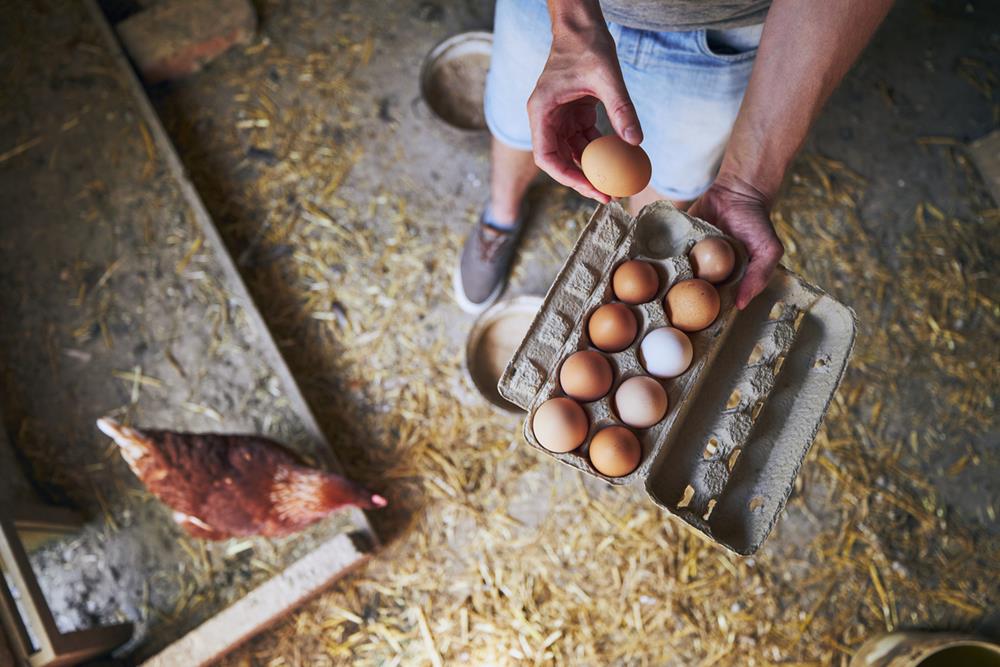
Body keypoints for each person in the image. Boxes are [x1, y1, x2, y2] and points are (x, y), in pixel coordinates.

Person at [455, 0, 893, 313]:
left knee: (668, 182)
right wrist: (572, 20)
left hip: (726, 29)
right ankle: (501, 216)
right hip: (550, 9)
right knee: (523, 122)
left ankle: (632, 273)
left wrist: (747, 185)